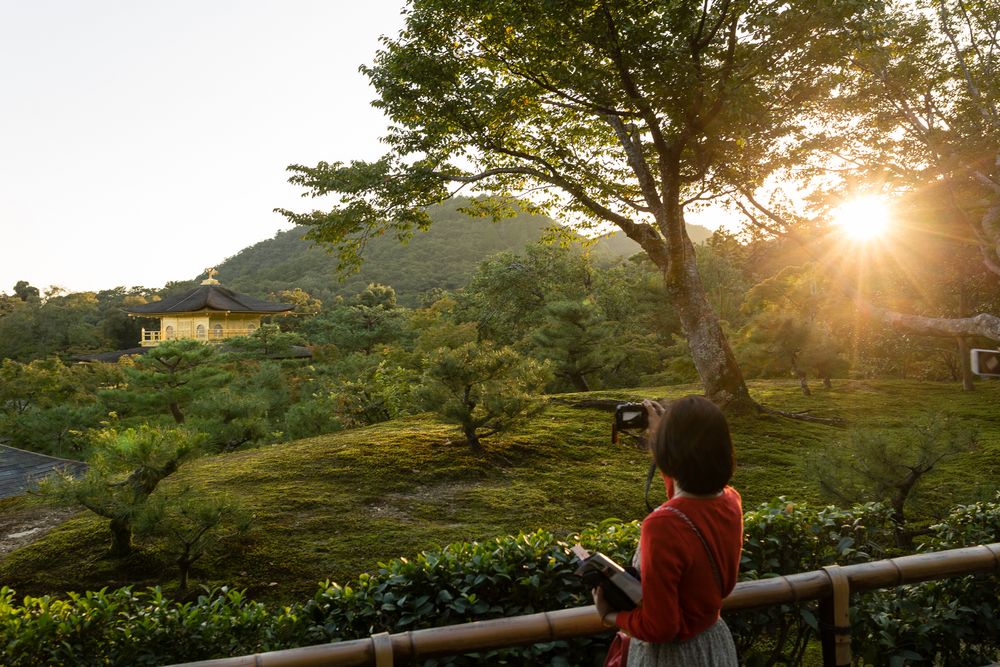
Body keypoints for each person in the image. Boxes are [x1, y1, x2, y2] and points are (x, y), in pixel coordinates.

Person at [592, 395, 743, 666]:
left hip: (672, 657)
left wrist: (609, 616)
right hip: (715, 644)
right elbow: (686, 499)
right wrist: (661, 432)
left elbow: (661, 627)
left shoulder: (662, 526)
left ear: (667, 450)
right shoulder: (730, 500)